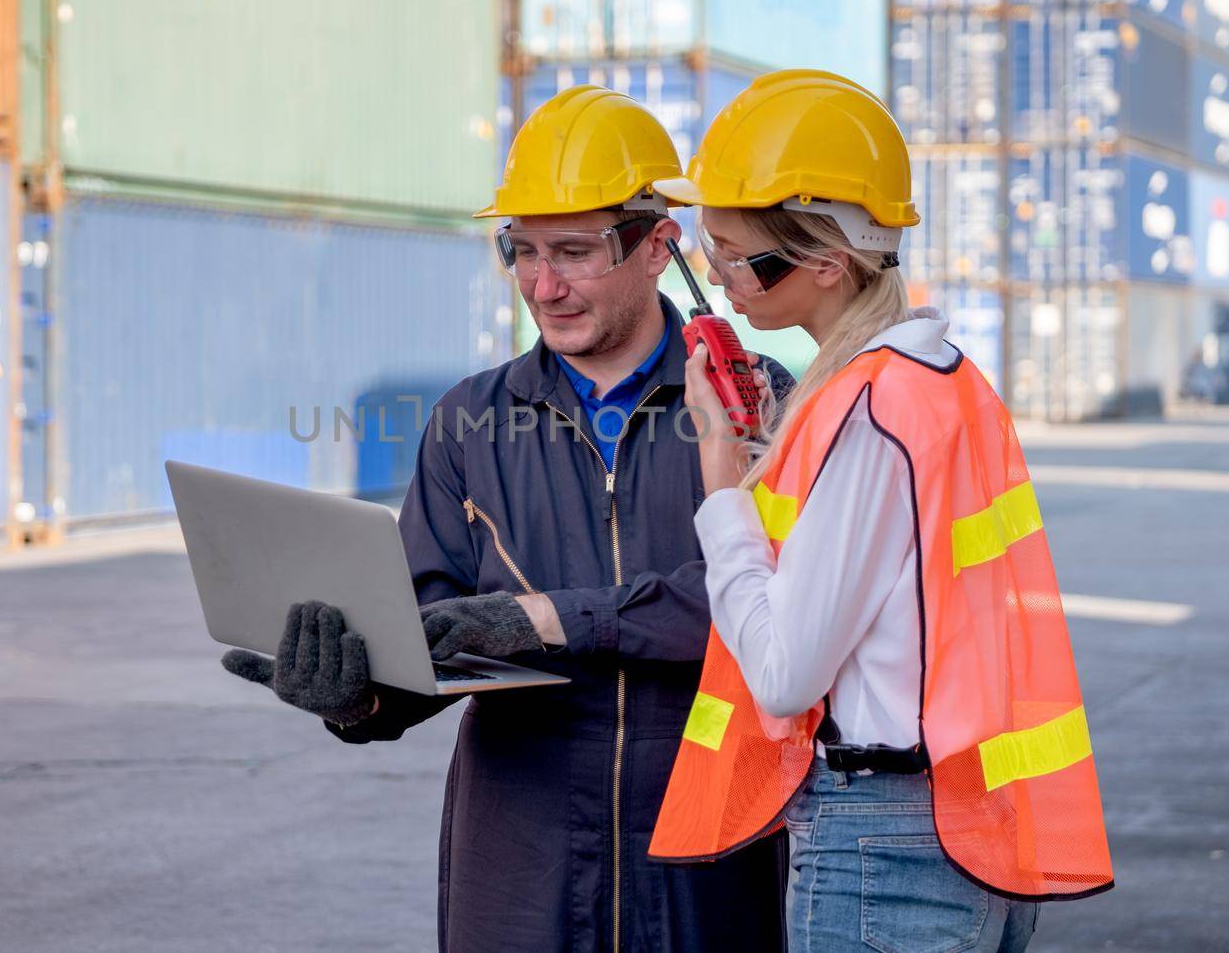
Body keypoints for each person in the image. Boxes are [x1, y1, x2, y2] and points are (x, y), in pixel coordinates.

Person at [222, 85, 797, 950]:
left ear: (658, 246)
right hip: (521, 875)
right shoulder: (467, 423)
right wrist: (358, 695)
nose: (543, 284)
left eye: (573, 250)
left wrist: (544, 620)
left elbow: (763, 608)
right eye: (519, 251)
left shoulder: (756, 404)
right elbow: (429, 635)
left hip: (710, 862)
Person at [644, 70, 1115, 950]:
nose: (719, 278)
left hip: (889, 847)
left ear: (828, 261)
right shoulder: (946, 381)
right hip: (969, 822)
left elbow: (785, 672)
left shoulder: (862, 413)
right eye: (707, 251)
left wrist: (719, 476)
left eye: (739, 256)